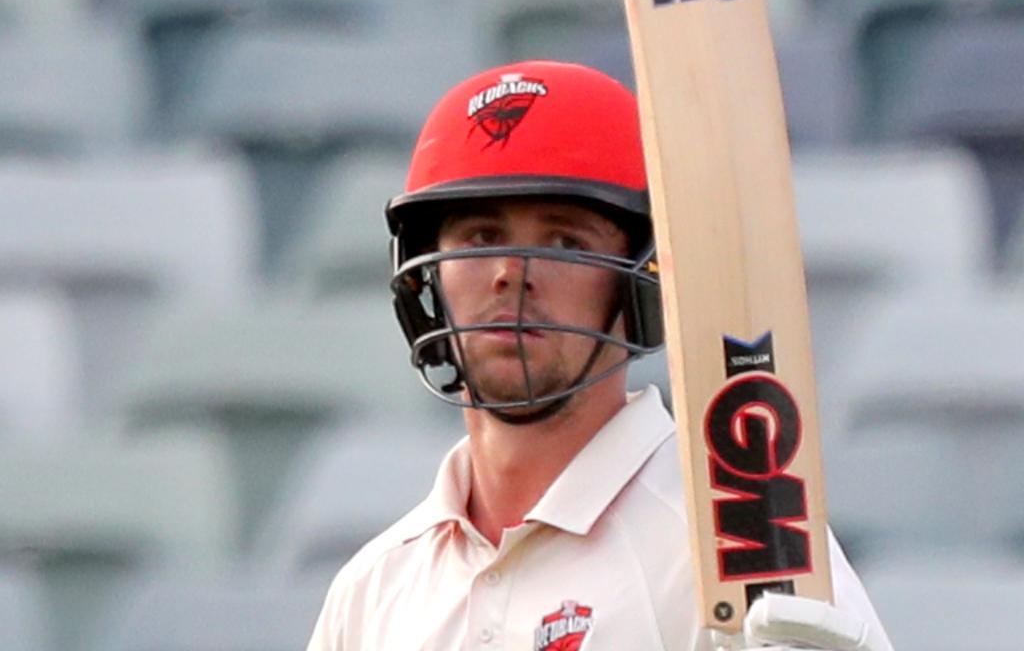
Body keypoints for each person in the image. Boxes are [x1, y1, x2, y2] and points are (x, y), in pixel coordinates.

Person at [306, 60, 892, 651]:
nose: (512, 273)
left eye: (565, 241)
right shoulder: (374, 592)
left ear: (638, 285)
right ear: (426, 279)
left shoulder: (734, 550)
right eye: (481, 236)